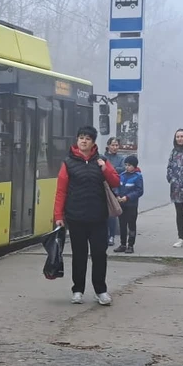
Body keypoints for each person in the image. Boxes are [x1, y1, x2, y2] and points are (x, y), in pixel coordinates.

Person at [54, 126, 121, 306]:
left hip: (98, 217)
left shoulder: (102, 161)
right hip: (76, 218)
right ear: (77, 141)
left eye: (87, 138)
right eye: (81, 138)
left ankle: (101, 291)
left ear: (93, 143)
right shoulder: (68, 163)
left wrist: (104, 168)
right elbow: (61, 191)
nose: (83, 141)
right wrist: (58, 215)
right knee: (79, 255)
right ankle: (78, 290)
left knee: (99, 254)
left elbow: (115, 181)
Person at [114, 155, 143, 254]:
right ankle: (122, 244)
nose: (127, 167)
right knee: (122, 224)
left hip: (131, 205)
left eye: (129, 165)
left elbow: (139, 191)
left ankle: (130, 245)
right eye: (126, 165)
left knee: (131, 225)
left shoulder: (138, 176)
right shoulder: (122, 175)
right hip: (122, 204)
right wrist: (117, 195)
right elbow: (117, 186)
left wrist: (128, 197)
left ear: (134, 166)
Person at [104, 137, 126, 246]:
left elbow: (123, 169)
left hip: (114, 188)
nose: (115, 147)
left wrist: (109, 169)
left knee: (112, 213)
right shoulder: (103, 157)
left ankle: (111, 236)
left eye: (116, 145)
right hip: (103, 186)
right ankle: (104, 234)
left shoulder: (121, 158)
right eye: (112, 145)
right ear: (108, 146)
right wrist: (113, 169)